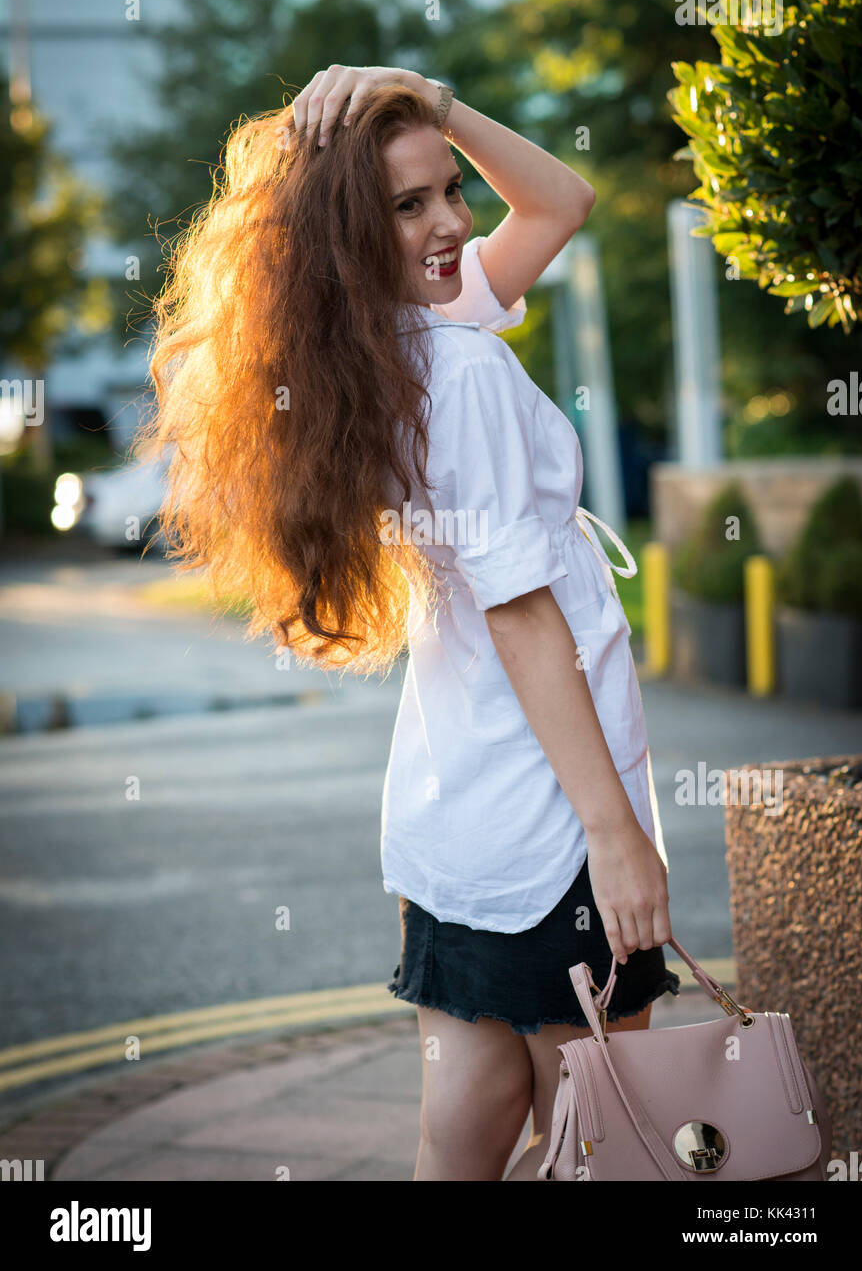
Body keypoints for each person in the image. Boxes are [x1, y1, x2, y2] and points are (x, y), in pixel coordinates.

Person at [139, 63, 678, 1183]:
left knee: (462, 1132)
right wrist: (617, 833)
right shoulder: (462, 366)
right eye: (407, 204)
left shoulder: (377, 355)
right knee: (603, 1146)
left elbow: (558, 204)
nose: (450, 223)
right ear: (349, 236)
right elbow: (526, 623)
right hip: (544, 829)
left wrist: (432, 102)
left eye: (448, 190)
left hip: (453, 823)